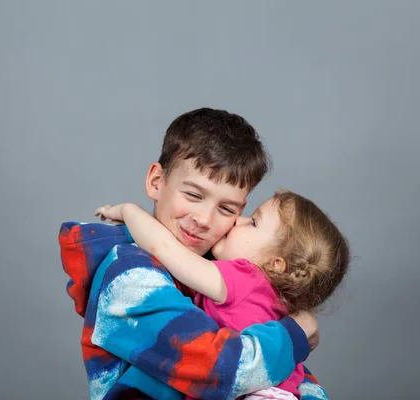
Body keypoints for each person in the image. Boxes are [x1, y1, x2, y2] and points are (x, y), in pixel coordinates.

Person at [59, 108, 329, 399]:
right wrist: (297, 331)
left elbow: (287, 373)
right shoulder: (129, 278)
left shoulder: (217, 271)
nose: (204, 219)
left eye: (226, 209)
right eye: (193, 195)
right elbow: (223, 370)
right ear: (156, 182)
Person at [95, 189, 349, 399]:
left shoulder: (244, 277)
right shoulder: (277, 298)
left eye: (254, 222)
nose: (238, 220)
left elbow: (164, 248)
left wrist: (128, 211)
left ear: (275, 264)